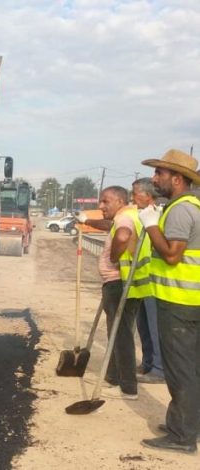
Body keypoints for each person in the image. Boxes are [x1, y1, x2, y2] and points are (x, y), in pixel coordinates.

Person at [138, 149, 200, 455]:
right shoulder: (191, 205)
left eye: (160, 174)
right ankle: (186, 423)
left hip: (179, 301)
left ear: (177, 178)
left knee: (180, 370)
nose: (155, 178)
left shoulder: (180, 210)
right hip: (189, 301)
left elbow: (173, 256)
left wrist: (150, 225)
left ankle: (182, 436)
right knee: (190, 367)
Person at [78, 186, 142, 400]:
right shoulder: (131, 214)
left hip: (120, 283)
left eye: (106, 201)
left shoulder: (125, 218)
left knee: (120, 334)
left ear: (120, 201)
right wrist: (87, 221)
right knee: (116, 332)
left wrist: (113, 257)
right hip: (119, 283)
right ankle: (114, 376)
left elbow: (122, 237)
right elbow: (111, 227)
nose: (101, 206)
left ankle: (128, 387)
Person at [130, 178, 165, 384]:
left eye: (135, 194)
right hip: (142, 280)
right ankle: (148, 362)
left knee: (155, 326)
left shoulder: (158, 215)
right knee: (143, 326)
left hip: (155, 282)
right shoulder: (140, 215)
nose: (133, 198)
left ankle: (159, 369)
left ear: (148, 196)